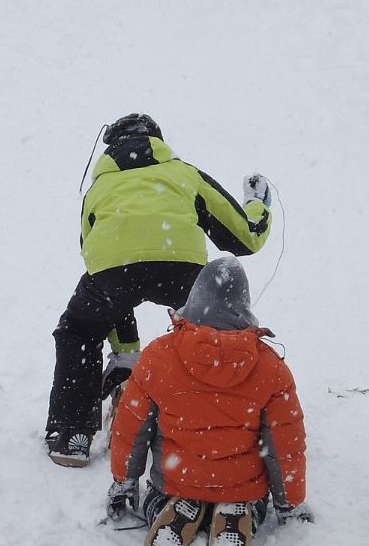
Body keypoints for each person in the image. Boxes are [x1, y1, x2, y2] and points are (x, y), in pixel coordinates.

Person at [45, 113, 274, 467]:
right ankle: (227, 425)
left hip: (112, 270)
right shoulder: (183, 174)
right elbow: (247, 238)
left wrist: (125, 351)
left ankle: (72, 434)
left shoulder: (98, 189)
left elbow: (95, 256)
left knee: (80, 329)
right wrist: (258, 203)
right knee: (212, 335)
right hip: (180, 266)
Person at [106, 257, 310, 546]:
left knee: (158, 498)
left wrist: (124, 481)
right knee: (249, 502)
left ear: (194, 298)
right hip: (244, 489)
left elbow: (132, 429)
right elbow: (285, 446)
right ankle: (234, 512)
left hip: (174, 482)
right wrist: (289, 504)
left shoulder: (160, 356)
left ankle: (171, 508)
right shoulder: (270, 367)